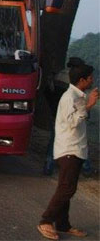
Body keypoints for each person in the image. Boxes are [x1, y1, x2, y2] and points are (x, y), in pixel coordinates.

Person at [37, 63, 98, 240]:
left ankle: (63, 224)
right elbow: (73, 122)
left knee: (66, 187)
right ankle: (45, 220)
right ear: (82, 80)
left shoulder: (78, 96)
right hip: (68, 149)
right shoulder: (69, 97)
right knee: (67, 189)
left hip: (76, 149)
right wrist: (89, 106)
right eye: (90, 77)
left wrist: (87, 103)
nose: (92, 80)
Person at [43, 57, 90, 176]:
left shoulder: (59, 75)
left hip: (57, 113)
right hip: (70, 114)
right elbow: (78, 101)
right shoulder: (74, 81)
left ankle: (48, 166)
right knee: (79, 138)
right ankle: (86, 167)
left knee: (54, 139)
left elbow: (48, 93)